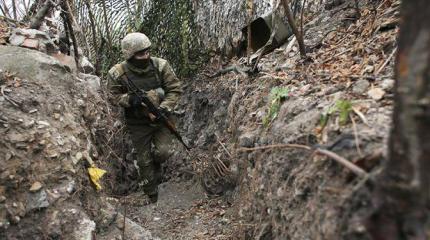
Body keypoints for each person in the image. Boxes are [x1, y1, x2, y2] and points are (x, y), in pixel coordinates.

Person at [107, 32, 182, 203]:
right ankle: (151, 194)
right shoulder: (117, 73)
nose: (145, 56)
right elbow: (112, 96)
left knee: (164, 152)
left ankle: (157, 168)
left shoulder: (160, 66)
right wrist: (130, 100)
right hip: (137, 123)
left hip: (162, 117)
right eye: (140, 54)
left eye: (147, 51)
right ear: (129, 54)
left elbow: (175, 89)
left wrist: (163, 108)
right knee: (143, 160)